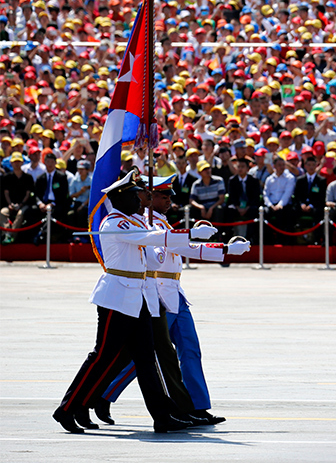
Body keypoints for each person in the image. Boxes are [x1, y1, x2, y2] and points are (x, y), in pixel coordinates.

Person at [53, 170, 217, 434]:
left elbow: (154, 252)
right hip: (116, 298)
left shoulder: (134, 221)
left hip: (137, 297)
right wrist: (189, 233)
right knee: (101, 357)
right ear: (121, 198)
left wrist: (185, 240)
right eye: (136, 195)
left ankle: (162, 416)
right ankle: (68, 408)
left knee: (145, 359)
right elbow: (149, 238)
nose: (141, 199)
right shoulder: (114, 223)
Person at [94, 175, 248, 426]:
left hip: (175, 294)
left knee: (189, 351)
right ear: (147, 197)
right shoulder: (140, 224)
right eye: (162, 196)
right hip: (154, 294)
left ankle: (196, 407)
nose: (167, 201)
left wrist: (226, 250)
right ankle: (104, 394)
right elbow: (166, 250)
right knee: (142, 357)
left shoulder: (162, 222)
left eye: (169, 197)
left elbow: (187, 248)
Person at [1, 152, 35, 244]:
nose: (16, 163)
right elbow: (6, 193)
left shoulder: (28, 177)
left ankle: (11, 236)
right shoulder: (7, 177)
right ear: (11, 163)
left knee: (21, 214)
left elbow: (28, 194)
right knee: (3, 213)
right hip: (10, 204)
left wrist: (21, 204)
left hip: (24, 205)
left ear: (22, 163)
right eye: (15, 162)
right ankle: (7, 233)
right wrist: (10, 204)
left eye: (18, 161)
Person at [226, 157, 261, 241]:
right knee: (229, 210)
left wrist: (247, 207)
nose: (240, 169)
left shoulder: (254, 180)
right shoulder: (232, 180)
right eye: (238, 167)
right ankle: (228, 236)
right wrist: (238, 207)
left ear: (247, 169)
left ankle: (250, 237)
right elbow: (232, 196)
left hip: (249, 205)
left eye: (242, 167)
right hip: (237, 206)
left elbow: (255, 196)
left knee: (254, 211)